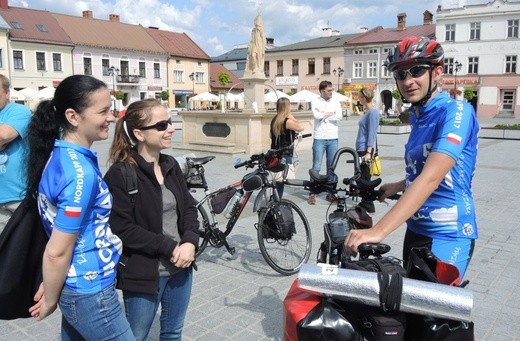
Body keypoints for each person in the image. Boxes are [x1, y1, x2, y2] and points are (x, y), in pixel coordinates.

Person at [345, 36, 479, 279]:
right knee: (407, 309)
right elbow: (420, 171)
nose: (408, 81)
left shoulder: (457, 112)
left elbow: (431, 178)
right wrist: (397, 185)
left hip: (447, 235)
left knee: (432, 314)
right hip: (416, 228)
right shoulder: (418, 115)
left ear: (437, 72)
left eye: (416, 71)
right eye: (400, 74)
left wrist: (379, 230)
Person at [26, 75, 133, 340]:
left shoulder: (60, 154)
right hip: (90, 290)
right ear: (73, 116)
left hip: (78, 285)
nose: (112, 117)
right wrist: (50, 298)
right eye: (104, 111)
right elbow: (57, 251)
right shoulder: (79, 174)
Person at [104, 99, 199, 341]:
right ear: (139, 134)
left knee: (173, 333)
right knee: (136, 336)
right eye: (162, 125)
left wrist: (189, 241)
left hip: (181, 270)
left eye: (169, 122)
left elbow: (188, 207)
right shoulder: (121, 173)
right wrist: (169, 246)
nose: (171, 128)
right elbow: (121, 227)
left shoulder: (170, 164)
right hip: (144, 275)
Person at [0, 74, 31, 234]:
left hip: (19, 195)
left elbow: (4, 135)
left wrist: (5, 139)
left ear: (7, 93)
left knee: (21, 249)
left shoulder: (19, 111)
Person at [308, 80, 343, 204]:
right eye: (329, 90)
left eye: (332, 90)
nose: (331, 92)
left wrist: (325, 114)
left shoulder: (335, 101)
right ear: (322, 91)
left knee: (331, 167)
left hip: (333, 137)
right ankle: (312, 192)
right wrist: (329, 114)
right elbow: (316, 115)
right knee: (316, 166)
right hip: (319, 138)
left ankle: (330, 192)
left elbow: (339, 116)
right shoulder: (315, 100)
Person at [270, 97, 304, 198]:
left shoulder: (274, 120)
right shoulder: (287, 121)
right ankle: (276, 202)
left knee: (277, 180)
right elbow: (301, 127)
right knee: (281, 180)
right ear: (287, 107)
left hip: (275, 154)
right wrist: (291, 116)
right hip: (285, 154)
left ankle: (275, 199)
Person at [355, 87, 380, 214]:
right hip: (361, 148)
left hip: (365, 149)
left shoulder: (373, 113)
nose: (358, 98)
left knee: (365, 177)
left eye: (359, 96)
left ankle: (368, 204)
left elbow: (372, 134)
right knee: (361, 176)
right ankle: (365, 201)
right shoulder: (367, 112)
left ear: (364, 98)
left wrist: (368, 152)